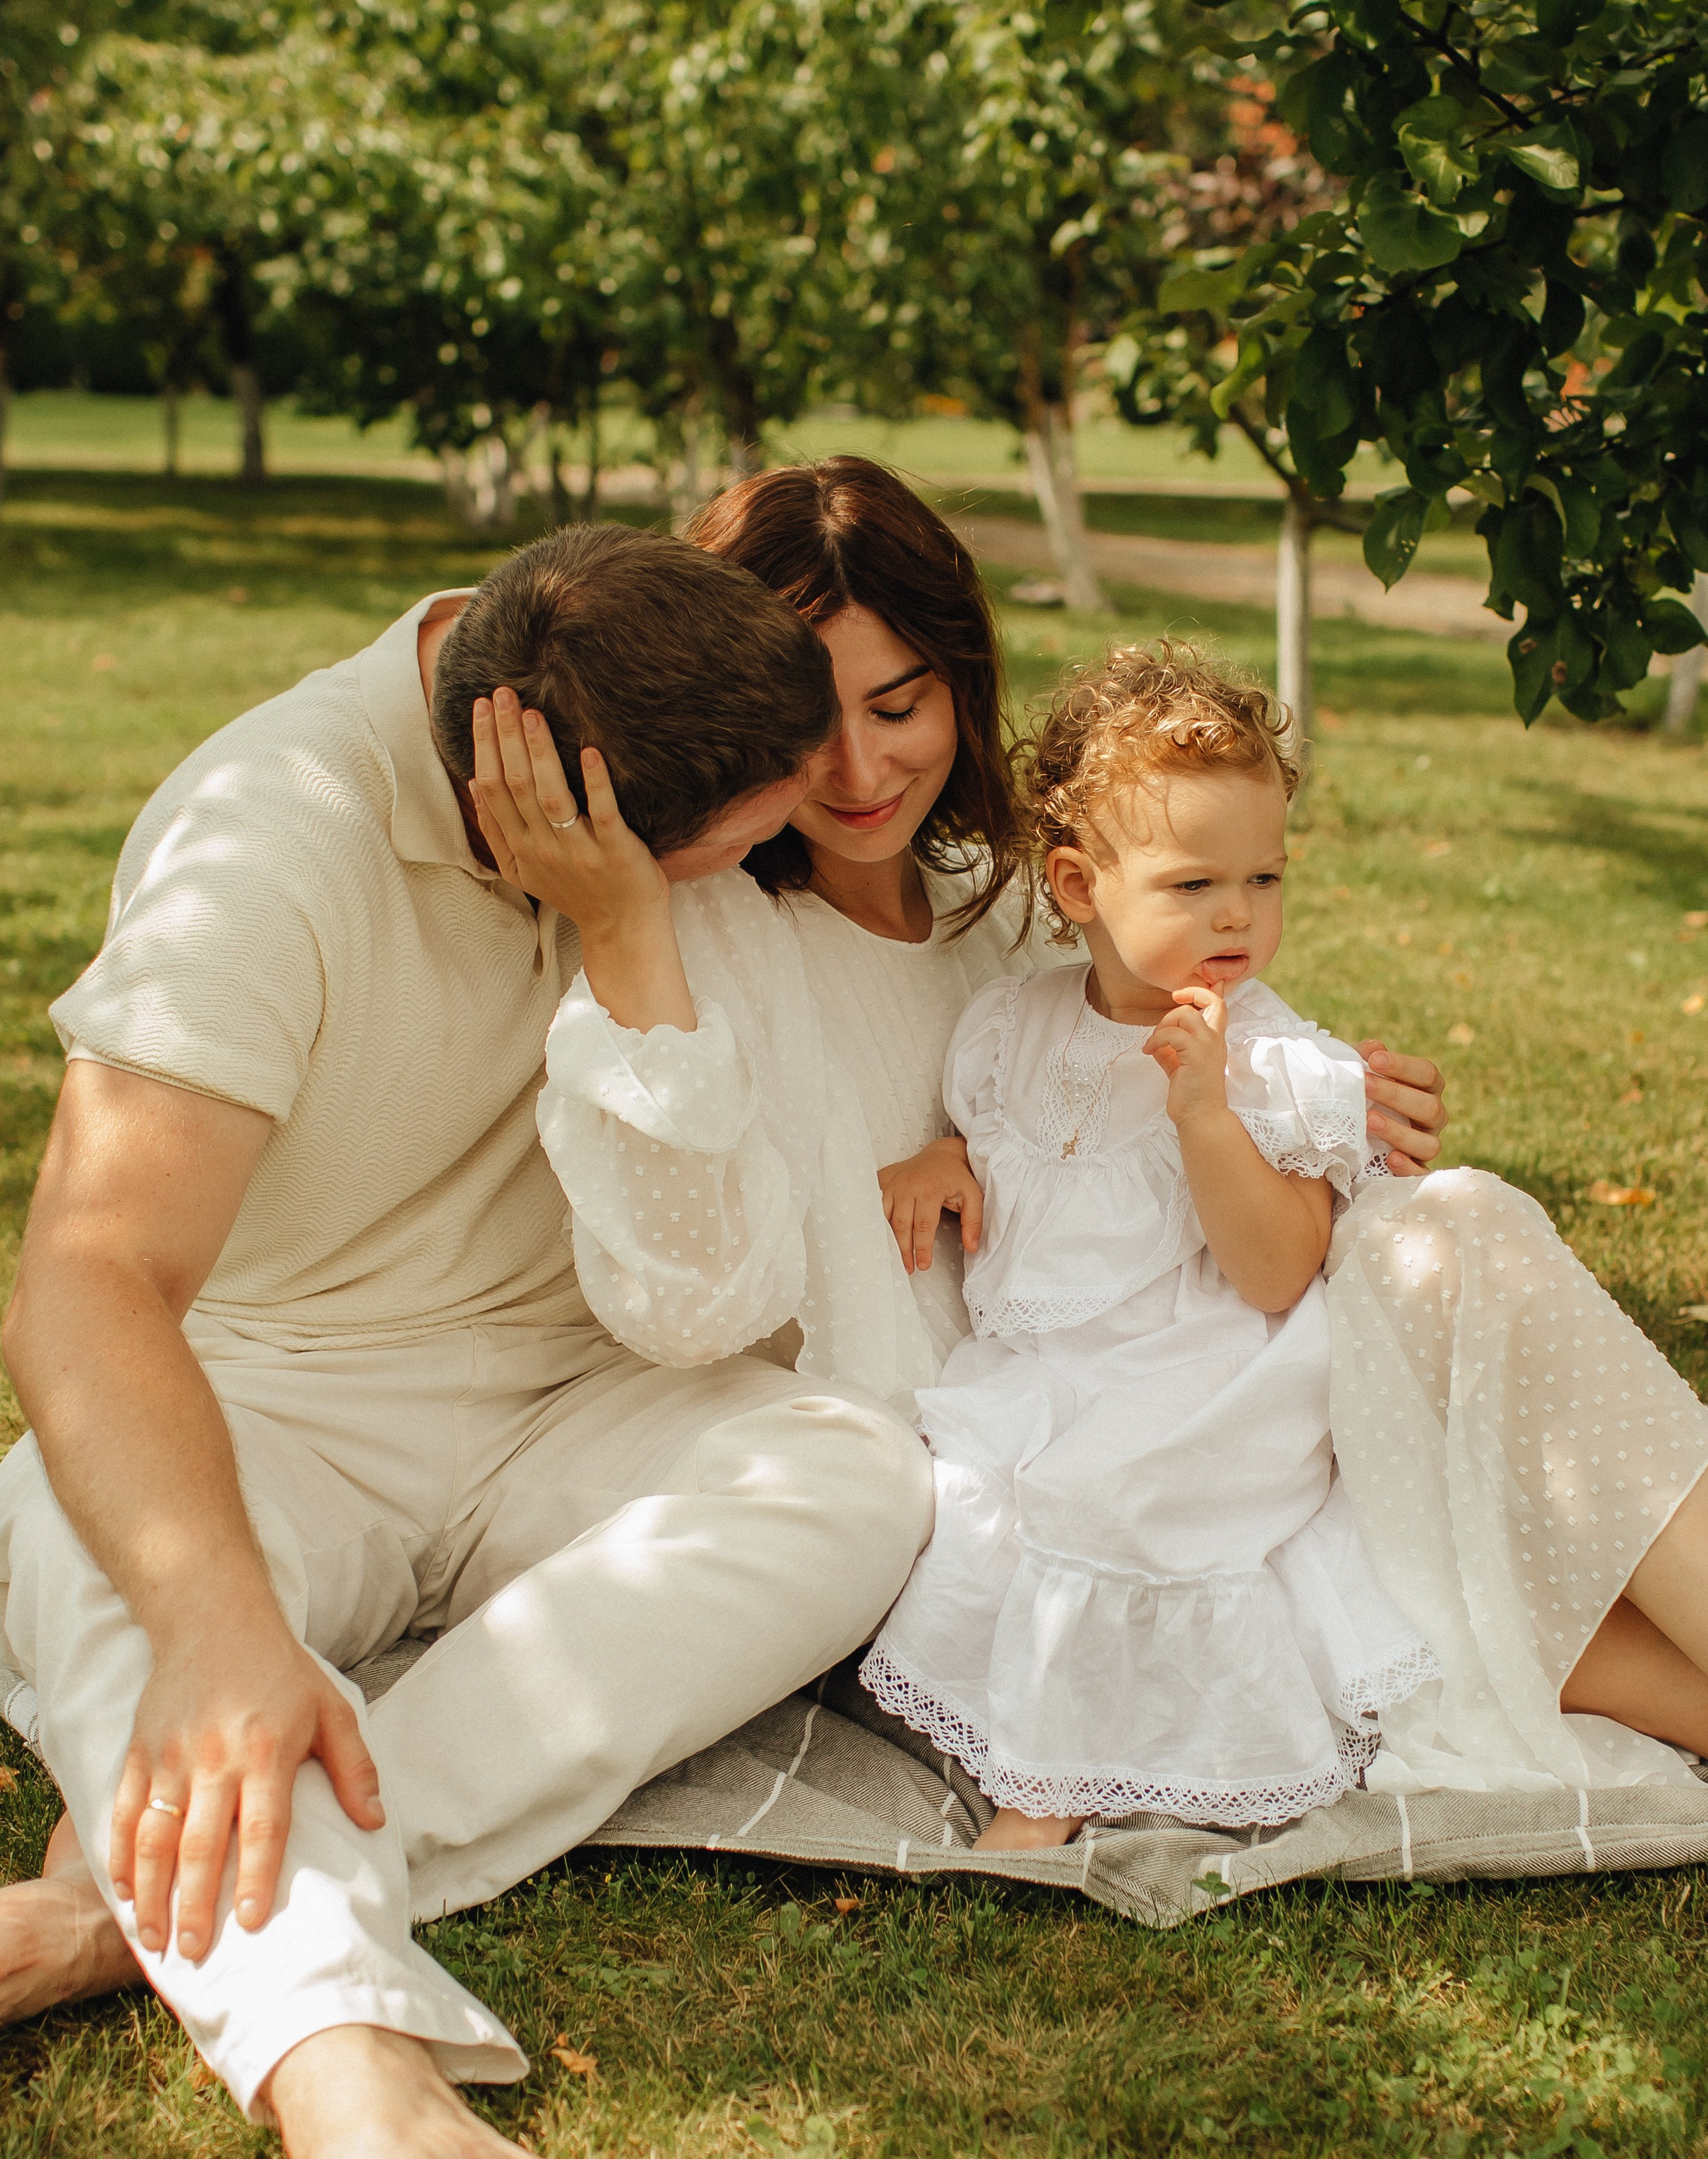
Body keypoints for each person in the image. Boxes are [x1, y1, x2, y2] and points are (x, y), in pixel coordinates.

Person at [485, 459, 1708, 1813]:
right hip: (1021, 1443)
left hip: (1203, 1365)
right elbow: (705, 1289)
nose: (856, 768)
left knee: (1461, 1256)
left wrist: (1332, 1105)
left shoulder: (1004, 905)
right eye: (809, 720)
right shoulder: (713, 938)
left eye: (898, 705)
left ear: (958, 683)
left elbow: (1171, 1029)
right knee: (1432, 1536)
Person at [0, 524, 935, 2158]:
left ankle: (125, 1907)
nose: (824, 808)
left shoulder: (640, 729)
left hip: (583, 1400)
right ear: (548, 815)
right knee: (74, 1532)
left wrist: (633, 933)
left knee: (851, 1475)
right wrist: (222, 1626)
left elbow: (703, 1298)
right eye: (763, 818)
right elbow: (89, 1282)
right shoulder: (266, 845)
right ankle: (350, 2074)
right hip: (290, 1405)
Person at [859, 643, 1440, 1847]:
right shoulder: (1010, 1024)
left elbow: (1278, 1270)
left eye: (1265, 879)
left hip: (1207, 1379)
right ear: (1078, 887)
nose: (1239, 914)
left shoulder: (1283, 1065)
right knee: (971, 1488)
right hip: (1048, 1373)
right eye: (1194, 885)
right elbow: (1012, 1145)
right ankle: (1014, 1721)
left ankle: (1050, 1788)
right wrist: (946, 1162)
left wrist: (1206, 1116)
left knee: (1110, 1501)